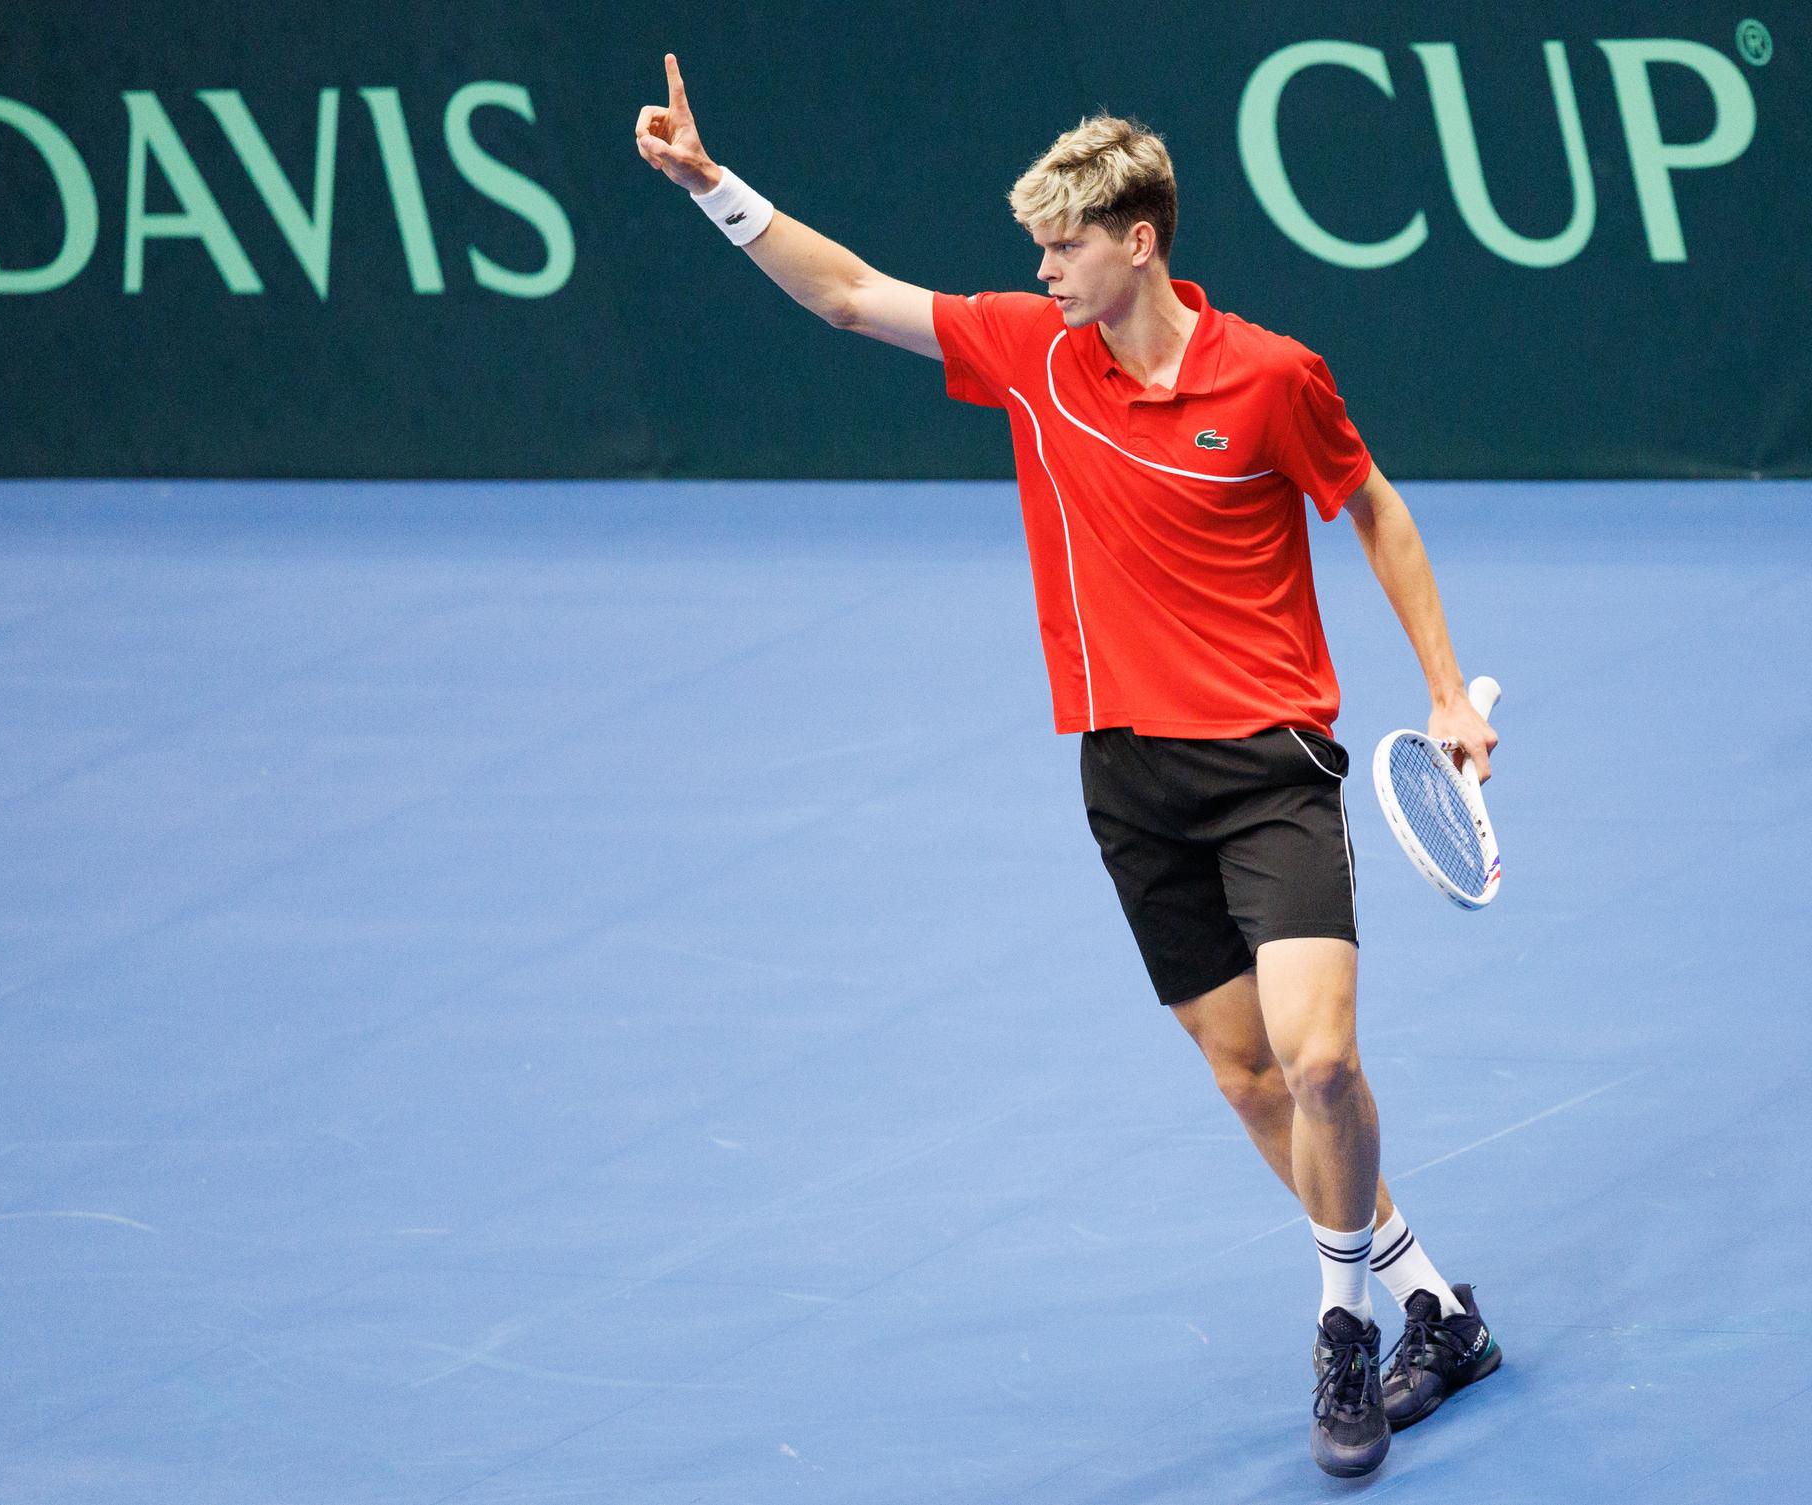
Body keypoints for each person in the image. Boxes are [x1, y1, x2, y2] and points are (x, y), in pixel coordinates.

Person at [635, 54, 1503, 1478]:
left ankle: (1345, 1324)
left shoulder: (1275, 377)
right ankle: (1433, 1308)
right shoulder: (1032, 358)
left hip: (1272, 763)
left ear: (1139, 238)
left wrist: (1441, 690)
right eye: (1036, 246)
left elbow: (1379, 513)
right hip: (1127, 781)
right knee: (1247, 1076)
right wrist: (712, 185)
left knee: (1323, 1056)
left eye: (1063, 244)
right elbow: (851, 293)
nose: (1041, 268)